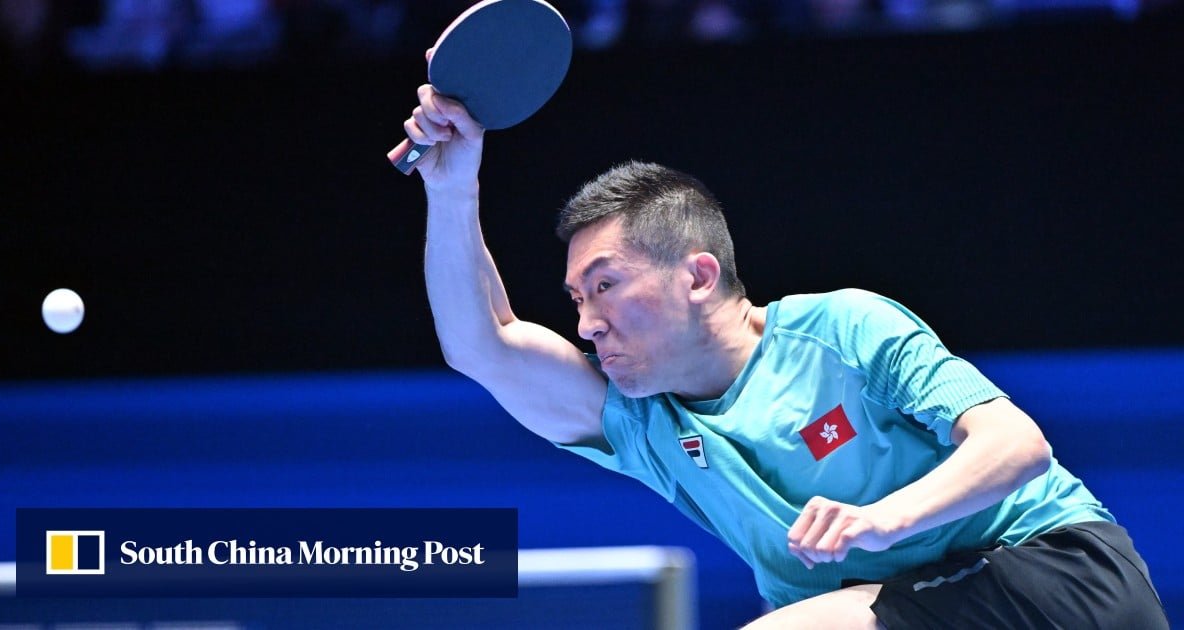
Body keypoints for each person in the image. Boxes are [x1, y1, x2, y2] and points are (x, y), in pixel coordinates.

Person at [399, 83, 1169, 628]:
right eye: (575, 300)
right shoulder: (646, 423)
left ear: (698, 276)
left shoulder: (843, 329)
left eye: (605, 286)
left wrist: (882, 520)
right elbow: (483, 345)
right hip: (905, 609)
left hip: (1058, 576)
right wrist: (452, 188)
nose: (587, 324)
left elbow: (1017, 445)